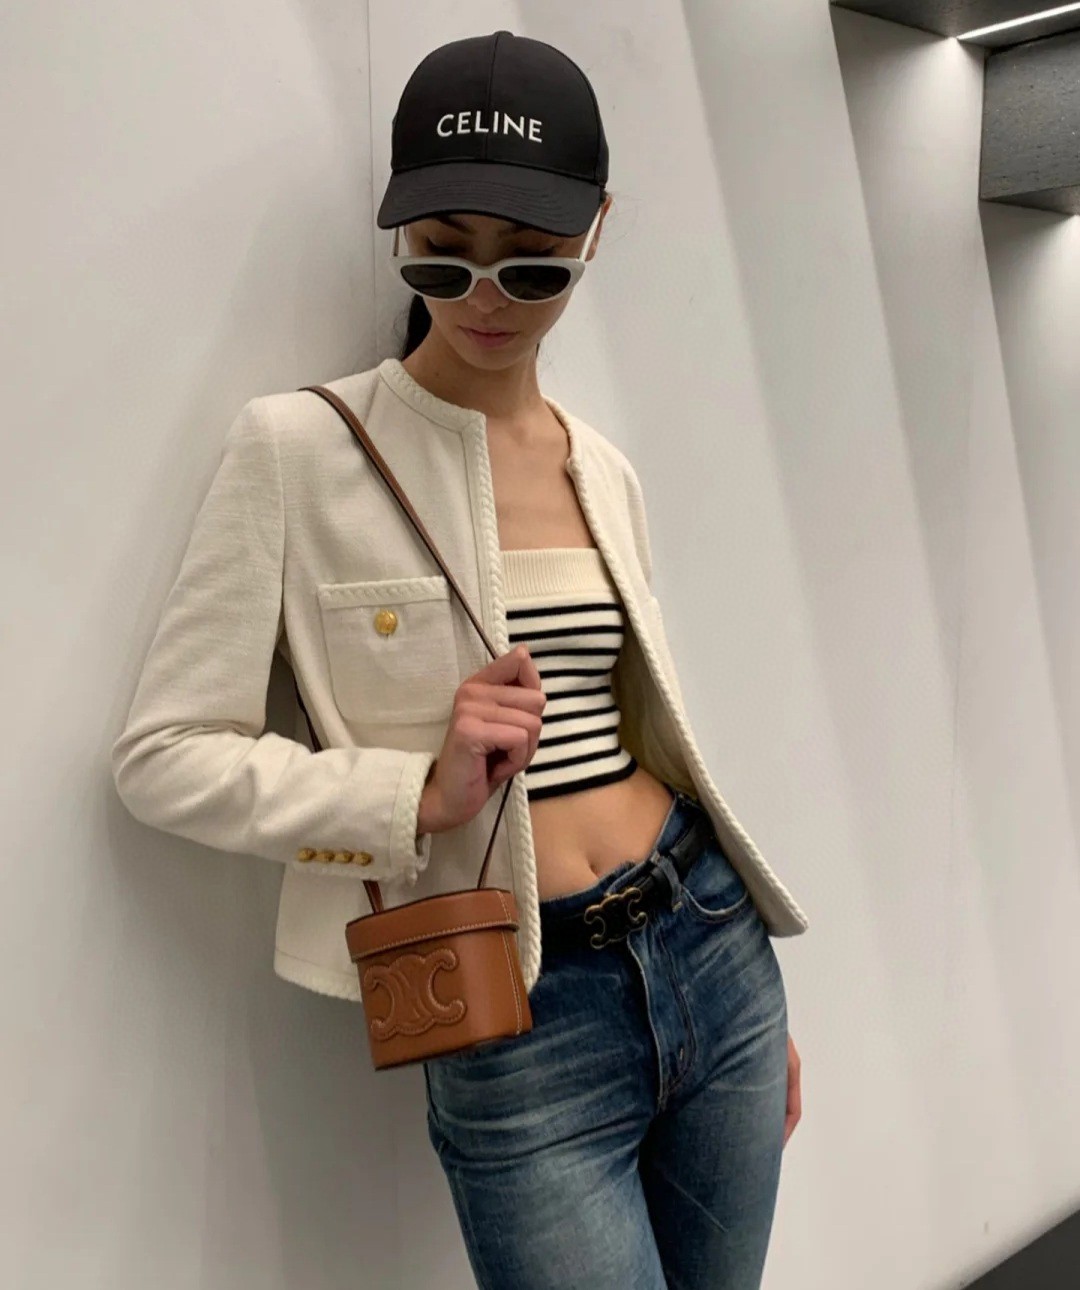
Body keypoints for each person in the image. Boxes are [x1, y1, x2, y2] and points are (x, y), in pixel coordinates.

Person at [112, 29, 808, 1290]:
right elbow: (162, 758)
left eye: (531, 264)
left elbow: (642, 729)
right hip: (518, 1011)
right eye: (442, 255)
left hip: (710, 943)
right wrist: (407, 796)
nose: (484, 297)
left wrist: (745, 1006)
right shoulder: (299, 450)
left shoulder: (603, 466)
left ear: (596, 229)